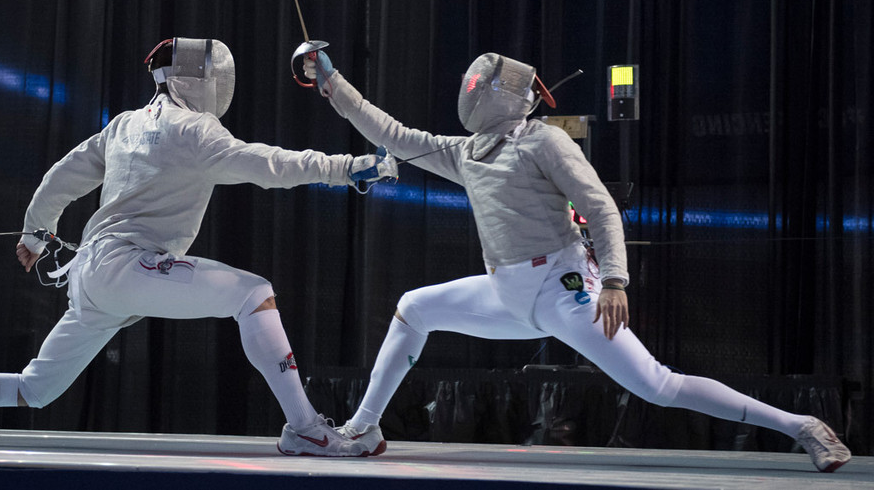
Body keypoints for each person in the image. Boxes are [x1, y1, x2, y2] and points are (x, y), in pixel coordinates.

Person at [302, 51, 852, 471]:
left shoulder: (545, 142)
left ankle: (801, 425)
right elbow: (394, 135)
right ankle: (364, 429)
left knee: (658, 385)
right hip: (507, 293)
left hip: (562, 290)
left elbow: (601, 207)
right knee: (414, 308)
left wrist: (614, 281)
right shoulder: (466, 153)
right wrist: (333, 83)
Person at [0, 37, 397, 457]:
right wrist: (347, 167)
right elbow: (269, 164)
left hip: (93, 276)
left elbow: (60, 177)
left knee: (34, 387)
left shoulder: (124, 125)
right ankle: (304, 428)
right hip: (125, 267)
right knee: (254, 294)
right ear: (197, 80)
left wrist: (34, 233)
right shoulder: (197, 130)